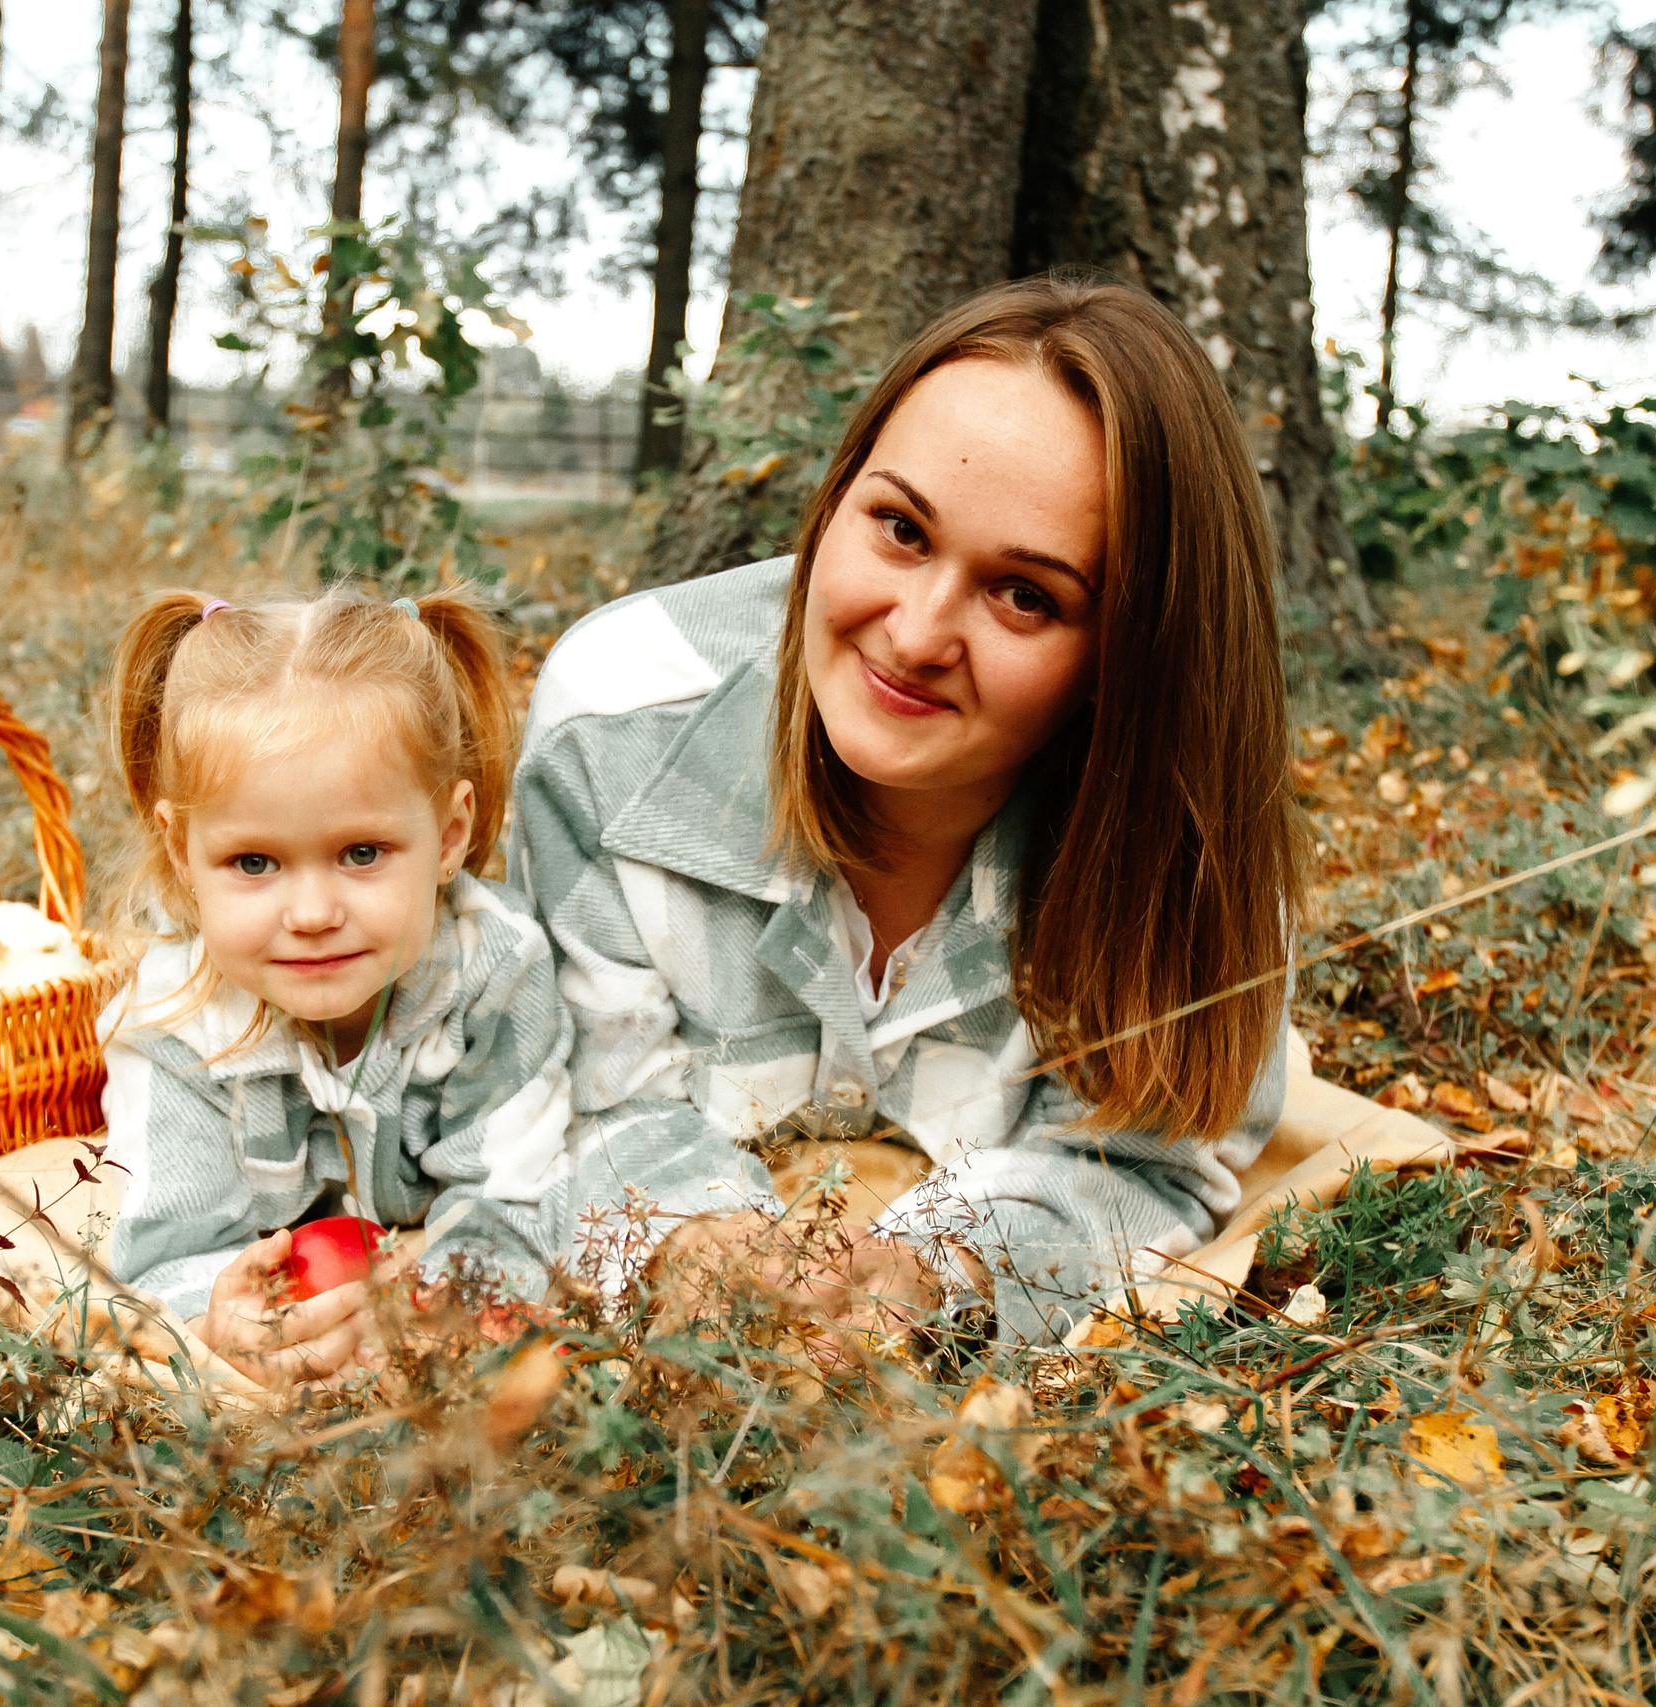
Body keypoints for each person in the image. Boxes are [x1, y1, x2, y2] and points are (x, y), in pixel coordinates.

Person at [512, 275, 1305, 1346]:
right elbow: (578, 1102)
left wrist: (943, 1273)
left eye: (1025, 596)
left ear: (1127, 657)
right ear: (835, 498)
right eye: (899, 529)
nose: (918, 634)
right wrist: (695, 1246)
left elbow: (1146, 1171)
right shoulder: (613, 724)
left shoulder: (1192, 830)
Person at [98, 586, 575, 1388]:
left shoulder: (495, 966)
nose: (313, 913)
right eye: (254, 862)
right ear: (182, 853)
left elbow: (518, 1195)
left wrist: (446, 1304)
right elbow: (161, 1253)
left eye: (362, 853)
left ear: (449, 834)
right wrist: (216, 1314)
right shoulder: (172, 1021)